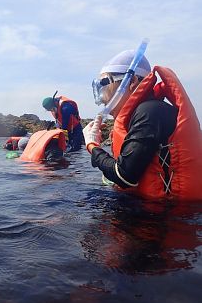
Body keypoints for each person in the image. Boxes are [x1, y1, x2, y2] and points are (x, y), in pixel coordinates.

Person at [84, 49, 202, 200]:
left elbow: (125, 176)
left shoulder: (150, 112)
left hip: (167, 217)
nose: (103, 97)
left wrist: (92, 145)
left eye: (105, 85)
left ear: (132, 81)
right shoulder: (145, 111)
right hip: (153, 210)